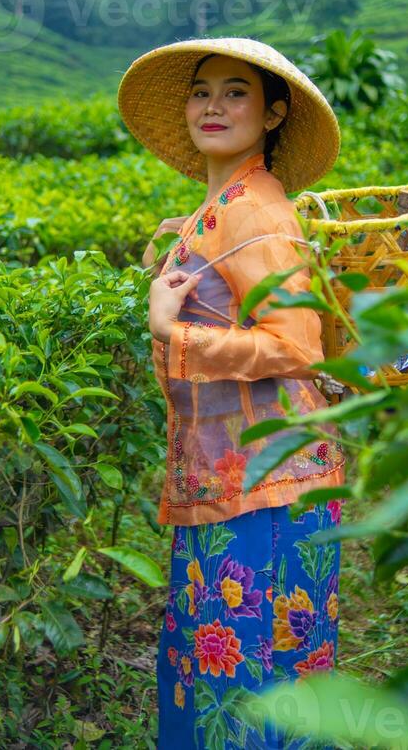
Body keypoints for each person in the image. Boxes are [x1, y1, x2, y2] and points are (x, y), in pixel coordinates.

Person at [117, 37, 346, 750]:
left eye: (236, 91)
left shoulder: (257, 210)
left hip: (268, 485)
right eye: (201, 90)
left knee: (248, 688)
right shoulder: (221, 205)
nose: (213, 104)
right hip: (229, 481)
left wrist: (173, 333)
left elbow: (298, 347)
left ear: (275, 114)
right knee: (217, 679)